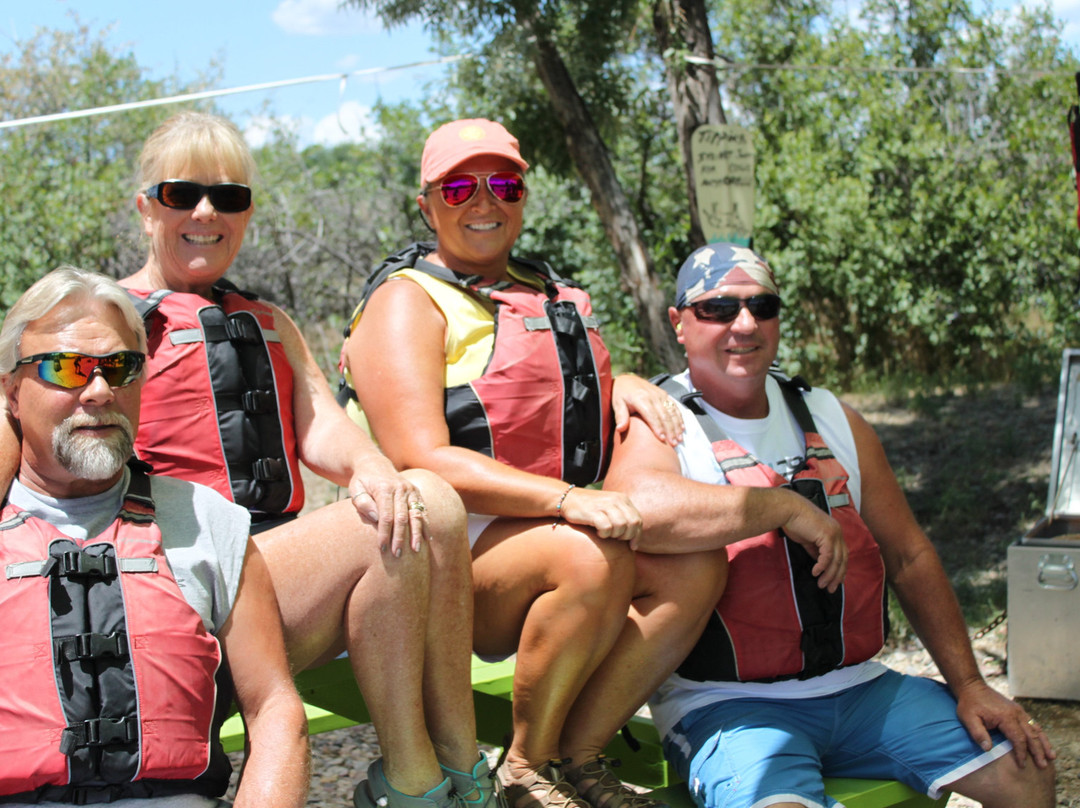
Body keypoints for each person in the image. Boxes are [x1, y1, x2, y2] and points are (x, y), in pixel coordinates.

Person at [339, 119, 844, 808]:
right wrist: (567, 500)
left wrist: (623, 383)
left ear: (523, 197)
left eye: (504, 184)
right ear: (427, 205)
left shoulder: (543, 292)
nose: (483, 200)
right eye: (459, 186)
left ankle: (577, 756)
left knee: (695, 566)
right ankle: (523, 768)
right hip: (442, 564)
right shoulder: (408, 303)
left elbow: (552, 391)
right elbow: (416, 456)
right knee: (591, 555)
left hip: (537, 538)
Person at [0, 112, 489, 808]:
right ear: (146, 208)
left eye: (228, 197)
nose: (206, 212)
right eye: (182, 195)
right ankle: (425, 783)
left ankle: (443, 773)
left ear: (248, 212)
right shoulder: (106, 333)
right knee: (424, 509)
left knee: (417, 501)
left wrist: (371, 467)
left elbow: (320, 425)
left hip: (270, 570)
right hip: (169, 572)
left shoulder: (270, 321)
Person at [602, 243, 1058, 808]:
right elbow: (635, 506)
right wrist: (780, 506)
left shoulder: (829, 415)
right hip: (724, 703)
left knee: (1026, 769)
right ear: (680, 323)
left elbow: (909, 556)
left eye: (761, 307)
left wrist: (969, 685)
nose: (743, 325)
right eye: (718, 308)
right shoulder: (662, 419)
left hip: (861, 689)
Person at [0, 267, 309, 808]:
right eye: (67, 368)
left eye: (121, 367)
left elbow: (275, 711)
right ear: (11, 390)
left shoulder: (208, 520)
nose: (99, 391)